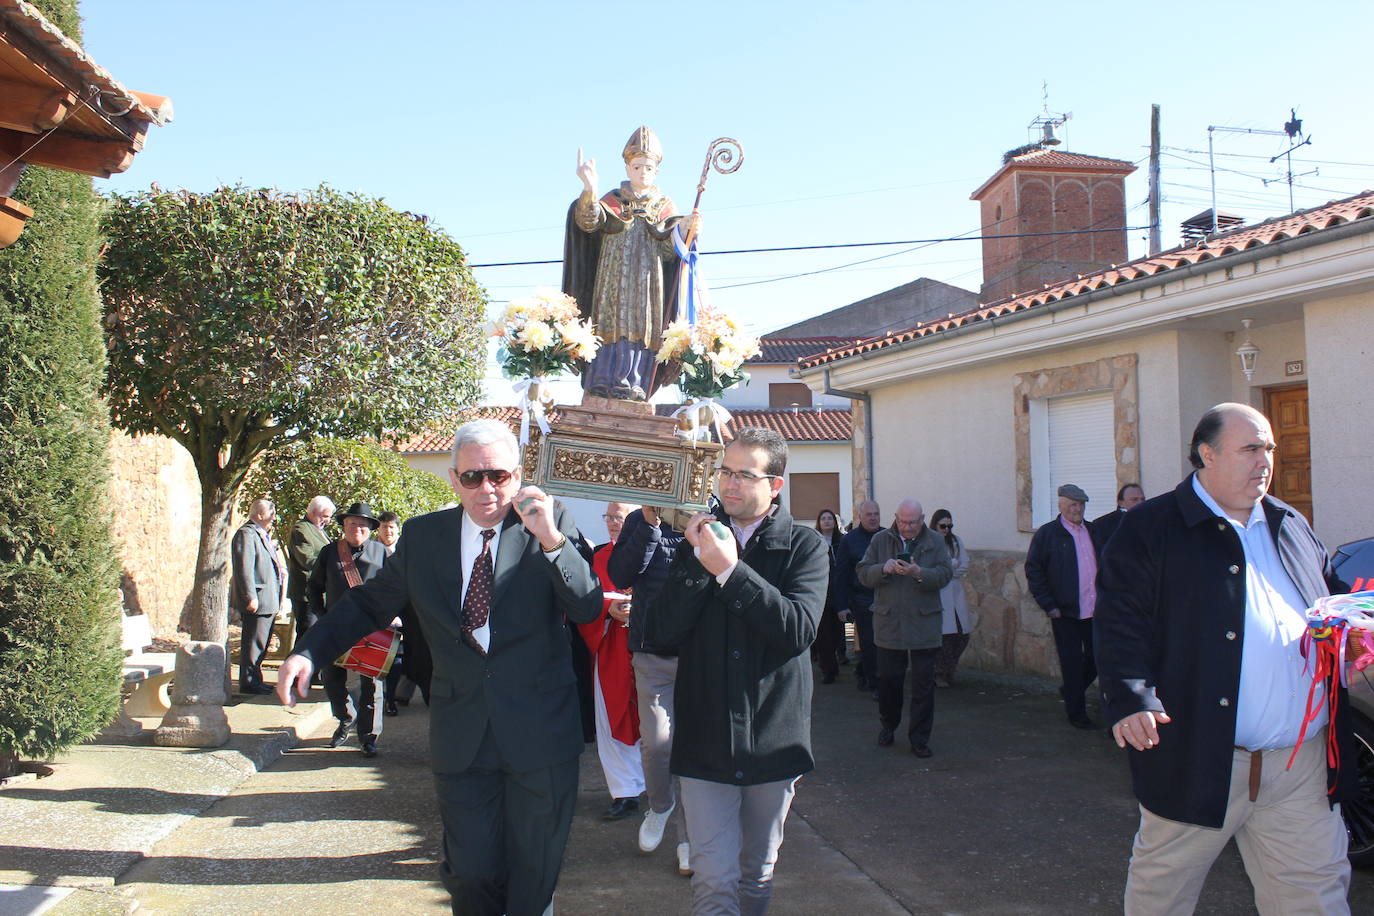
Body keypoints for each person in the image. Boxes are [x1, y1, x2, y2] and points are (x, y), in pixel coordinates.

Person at [277, 419, 602, 916]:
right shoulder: (425, 536)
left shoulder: (548, 521)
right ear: (453, 478)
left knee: (534, 873)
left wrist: (553, 541)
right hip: (462, 731)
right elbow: (369, 604)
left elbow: (585, 607)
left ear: (518, 476)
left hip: (540, 731)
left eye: (498, 476)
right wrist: (308, 651)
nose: (486, 489)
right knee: (469, 873)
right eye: (472, 477)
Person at [1096, 403, 1355, 914]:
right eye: (1251, 448)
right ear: (1206, 454)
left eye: (1270, 449)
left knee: (1314, 894)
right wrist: (1131, 697)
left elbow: (1331, 603)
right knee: (1162, 895)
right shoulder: (1153, 527)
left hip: (1300, 761)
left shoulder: (1290, 523)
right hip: (1200, 755)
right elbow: (1120, 621)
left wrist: (1356, 639)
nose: (1266, 461)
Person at [643, 427, 828, 915]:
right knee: (713, 879)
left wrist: (729, 570)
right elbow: (661, 631)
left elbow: (796, 630)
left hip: (774, 738)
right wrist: (698, 566)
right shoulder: (696, 542)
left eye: (745, 475)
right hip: (705, 738)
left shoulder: (805, 547)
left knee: (756, 876)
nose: (730, 484)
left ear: (776, 485)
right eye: (725, 471)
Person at [563, 125, 698, 401]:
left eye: (648, 167)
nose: (642, 172)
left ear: (656, 171)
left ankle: (635, 381)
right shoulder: (611, 200)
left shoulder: (664, 206)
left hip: (647, 280)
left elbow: (672, 250)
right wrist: (589, 189)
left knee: (641, 323)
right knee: (607, 320)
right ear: (627, 168)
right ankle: (600, 379)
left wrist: (687, 228)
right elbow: (588, 221)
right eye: (637, 167)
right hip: (612, 276)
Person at [608, 501, 691, 874]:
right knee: (657, 744)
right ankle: (660, 806)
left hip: (697, 653)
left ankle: (689, 837)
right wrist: (649, 524)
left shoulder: (710, 514)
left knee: (695, 751)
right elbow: (622, 573)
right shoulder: (637, 521)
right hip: (650, 650)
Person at [857, 500, 952, 758]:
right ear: (896, 517)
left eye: (912, 522)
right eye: (902, 521)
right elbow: (863, 573)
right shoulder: (880, 540)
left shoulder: (935, 541)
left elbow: (945, 574)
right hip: (890, 623)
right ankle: (888, 724)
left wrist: (919, 572)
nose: (907, 527)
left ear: (922, 519)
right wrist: (883, 569)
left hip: (924, 624)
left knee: (923, 686)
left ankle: (919, 739)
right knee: (889, 682)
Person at [577, 501, 646, 821]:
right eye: (609, 516)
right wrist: (608, 610)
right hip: (612, 649)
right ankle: (625, 791)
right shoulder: (599, 558)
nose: (612, 522)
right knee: (612, 719)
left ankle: (654, 784)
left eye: (619, 516)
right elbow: (584, 601)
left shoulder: (657, 551)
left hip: (650, 650)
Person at [307, 501, 389, 757]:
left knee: (371, 685)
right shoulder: (330, 552)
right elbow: (313, 588)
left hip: (370, 628)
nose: (358, 529)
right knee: (331, 679)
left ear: (370, 529)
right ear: (343, 526)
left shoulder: (382, 553)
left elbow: (397, 589)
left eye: (364, 525)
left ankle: (368, 737)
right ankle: (345, 717)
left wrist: (390, 617)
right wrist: (322, 617)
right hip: (336, 626)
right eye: (353, 523)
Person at [1024, 483, 1105, 729]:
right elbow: (1034, 570)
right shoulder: (1048, 534)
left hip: (1094, 611)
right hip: (1065, 611)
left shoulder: (1093, 531)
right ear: (1060, 505)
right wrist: (1049, 604)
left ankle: (1071, 690)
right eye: (1072, 504)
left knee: (1096, 658)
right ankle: (1077, 714)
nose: (1077, 509)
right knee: (1070, 662)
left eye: (1080, 504)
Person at [230, 498, 283, 695]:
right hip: (258, 599)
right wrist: (249, 596)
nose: (274, 517)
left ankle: (255, 678)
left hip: (268, 599)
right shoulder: (247, 534)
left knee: (262, 642)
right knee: (253, 642)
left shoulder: (261, 534)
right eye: (271, 512)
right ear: (259, 514)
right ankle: (249, 681)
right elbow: (244, 568)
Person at [835, 500, 882, 697]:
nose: (873, 517)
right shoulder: (849, 540)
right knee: (869, 644)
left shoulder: (888, 536)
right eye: (869, 514)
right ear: (860, 516)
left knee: (886, 645)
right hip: (862, 600)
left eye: (876, 514)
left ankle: (882, 680)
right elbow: (841, 574)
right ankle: (875, 685)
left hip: (887, 599)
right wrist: (842, 606)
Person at [930, 509, 973, 688]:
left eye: (950, 525)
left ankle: (949, 670)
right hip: (938, 594)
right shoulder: (929, 542)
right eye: (943, 526)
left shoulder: (955, 541)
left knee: (962, 634)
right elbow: (932, 566)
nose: (946, 529)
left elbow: (963, 563)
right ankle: (939, 673)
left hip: (954, 592)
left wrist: (949, 570)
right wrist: (949, 567)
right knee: (944, 637)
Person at [287, 495, 333, 639]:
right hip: (306, 594)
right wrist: (333, 565)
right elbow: (306, 560)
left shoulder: (318, 529)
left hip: (319, 593)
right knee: (307, 636)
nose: (328, 520)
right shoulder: (301, 530)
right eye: (325, 516)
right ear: (313, 512)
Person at [811, 508, 847, 684]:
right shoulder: (814, 541)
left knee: (838, 631)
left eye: (829, 518)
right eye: (823, 518)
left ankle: (840, 656)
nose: (826, 521)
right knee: (824, 632)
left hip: (839, 591)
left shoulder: (842, 542)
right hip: (821, 591)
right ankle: (828, 669)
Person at [1091, 483, 1145, 547]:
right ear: (1121, 503)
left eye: (1142, 499)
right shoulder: (1102, 524)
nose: (1141, 503)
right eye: (1134, 499)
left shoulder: (1151, 521)